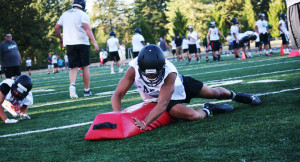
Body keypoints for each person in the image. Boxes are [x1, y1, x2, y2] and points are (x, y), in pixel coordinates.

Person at [111, 45, 260, 130]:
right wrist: (117, 115)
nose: (151, 78)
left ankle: (236, 96)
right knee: (192, 116)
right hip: (158, 98)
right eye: (148, 75)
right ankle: (209, 109)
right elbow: (117, 94)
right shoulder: (133, 69)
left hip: (178, 87)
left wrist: (145, 122)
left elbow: (163, 104)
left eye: (154, 74)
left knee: (212, 92)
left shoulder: (170, 71)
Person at [55, 0, 99, 98]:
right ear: (83, 5)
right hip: (82, 42)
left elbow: (57, 28)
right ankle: (86, 90)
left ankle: (72, 86)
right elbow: (86, 28)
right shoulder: (83, 14)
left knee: (73, 68)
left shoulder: (65, 14)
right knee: (85, 67)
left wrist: (61, 39)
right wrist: (94, 42)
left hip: (70, 43)